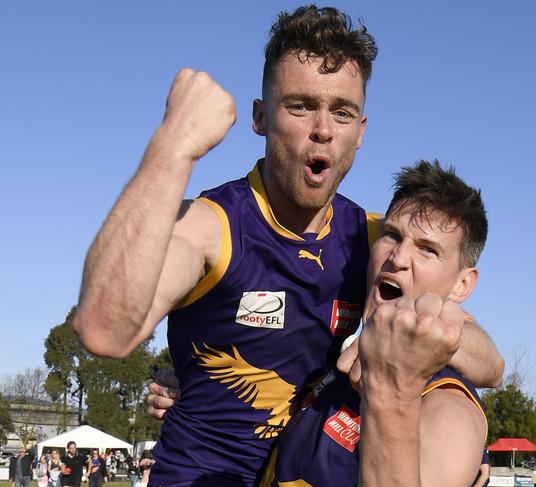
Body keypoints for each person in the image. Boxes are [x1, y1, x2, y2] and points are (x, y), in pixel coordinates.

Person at [73, 5, 503, 487]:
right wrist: (173, 145)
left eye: (341, 112)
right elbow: (104, 330)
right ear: (260, 117)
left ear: (360, 133)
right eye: (300, 105)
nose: (323, 129)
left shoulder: (378, 238)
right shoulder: (213, 227)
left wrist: (400, 339)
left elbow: (490, 362)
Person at [263, 161, 490, 486]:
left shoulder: (448, 404)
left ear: (462, 285)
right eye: (392, 235)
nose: (397, 258)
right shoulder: (336, 365)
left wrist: (392, 392)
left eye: (427, 250)